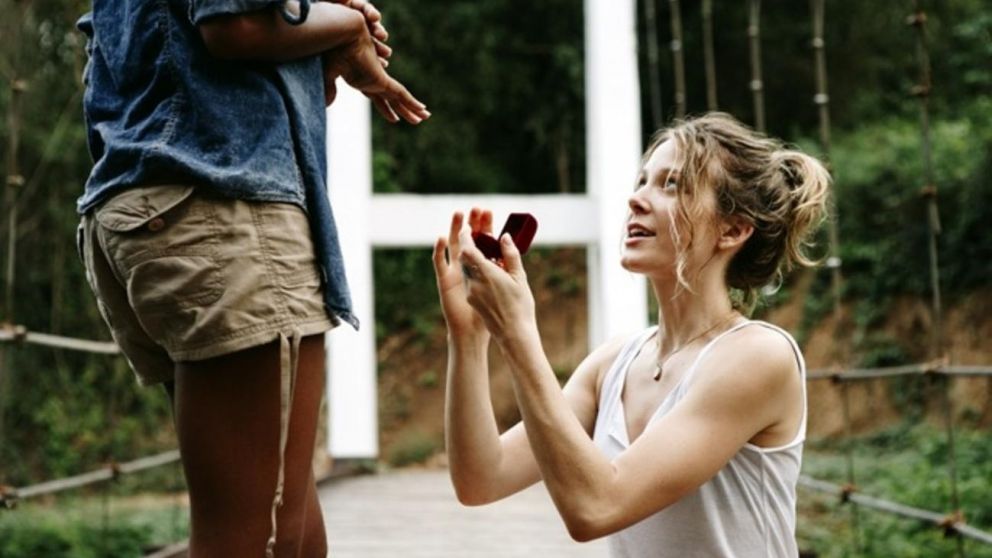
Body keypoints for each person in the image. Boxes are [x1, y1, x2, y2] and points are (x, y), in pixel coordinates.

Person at [76, 0, 428, 556]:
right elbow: (234, 26)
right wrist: (351, 24)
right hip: (224, 208)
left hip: (147, 210)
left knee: (290, 525)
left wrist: (321, 35)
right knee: (252, 539)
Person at [434, 112, 829, 557]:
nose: (637, 200)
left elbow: (596, 508)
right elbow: (482, 479)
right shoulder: (614, 363)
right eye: (642, 181)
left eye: (673, 185)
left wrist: (518, 335)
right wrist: (468, 338)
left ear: (733, 230)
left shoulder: (758, 355)